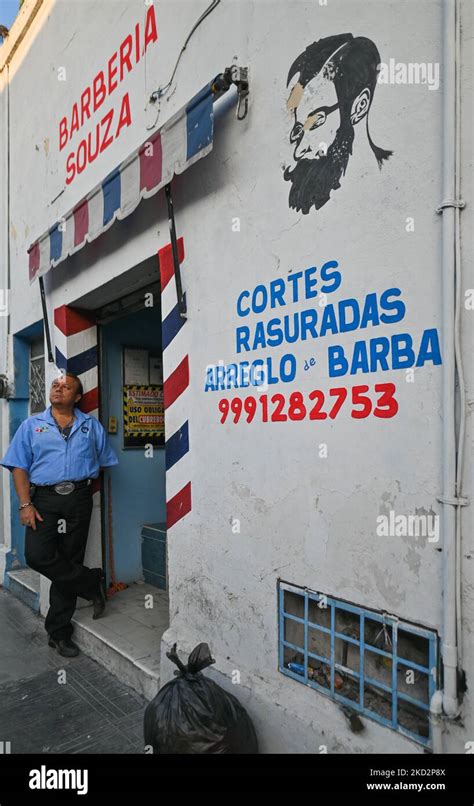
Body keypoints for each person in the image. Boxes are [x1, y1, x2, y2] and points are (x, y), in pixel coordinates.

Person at [0, 372, 118, 657]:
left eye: (66, 387)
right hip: (43, 500)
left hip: (79, 497)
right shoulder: (32, 426)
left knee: (69, 560)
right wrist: (26, 504)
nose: (58, 389)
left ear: (77, 397)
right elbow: (19, 467)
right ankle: (91, 582)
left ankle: (59, 633)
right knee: (37, 555)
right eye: (55, 385)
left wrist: (78, 481)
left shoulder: (91, 426)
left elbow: (103, 462)